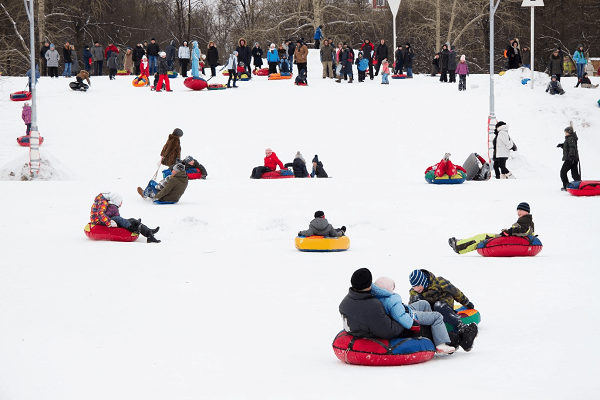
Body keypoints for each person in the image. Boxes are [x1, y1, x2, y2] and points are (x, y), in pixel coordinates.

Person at [372, 277, 456, 354]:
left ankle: (432, 330)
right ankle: (440, 344)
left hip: (404, 308)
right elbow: (400, 316)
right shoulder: (391, 301)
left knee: (424, 303)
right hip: (409, 315)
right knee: (437, 316)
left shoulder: (376, 296)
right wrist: (412, 323)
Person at [408, 269, 478, 351]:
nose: (416, 289)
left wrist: (466, 302)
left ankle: (462, 328)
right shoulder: (414, 292)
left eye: (418, 285)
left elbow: (456, 292)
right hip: (431, 312)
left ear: (423, 282)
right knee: (422, 303)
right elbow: (414, 308)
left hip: (444, 306)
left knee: (438, 305)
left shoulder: (439, 282)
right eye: (414, 286)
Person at [339, 268, 414, 339]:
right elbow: (389, 331)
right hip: (372, 338)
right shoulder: (373, 305)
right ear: (369, 285)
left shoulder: (344, 303)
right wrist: (402, 323)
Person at [448, 202, 534, 254]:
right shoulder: (526, 220)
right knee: (482, 238)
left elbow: (523, 231)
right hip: (513, 239)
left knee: (483, 237)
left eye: (521, 210)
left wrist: (509, 231)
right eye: (517, 210)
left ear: (527, 211)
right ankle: (461, 244)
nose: (518, 212)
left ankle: (458, 245)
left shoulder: (525, 220)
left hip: (513, 240)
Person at [92, 192, 161, 243]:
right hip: (102, 222)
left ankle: (149, 232)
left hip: (107, 220)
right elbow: (100, 214)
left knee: (131, 220)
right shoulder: (104, 202)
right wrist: (109, 222)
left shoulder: (106, 202)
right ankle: (133, 227)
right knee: (119, 219)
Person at [558, 126, 581, 191]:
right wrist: (562, 145)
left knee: (563, 172)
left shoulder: (570, 138)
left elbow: (572, 148)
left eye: (566, 132)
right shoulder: (571, 138)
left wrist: (571, 156)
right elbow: (569, 147)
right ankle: (579, 185)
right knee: (574, 173)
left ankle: (566, 186)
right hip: (574, 159)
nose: (565, 133)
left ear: (570, 132)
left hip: (570, 159)